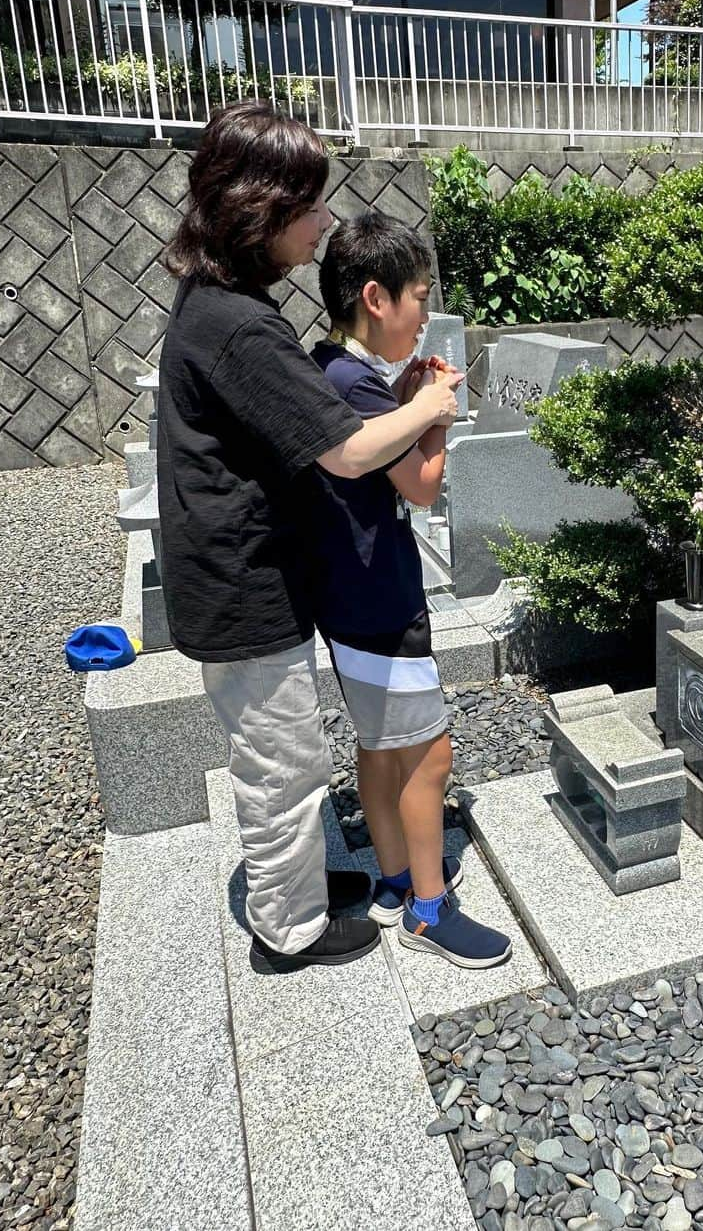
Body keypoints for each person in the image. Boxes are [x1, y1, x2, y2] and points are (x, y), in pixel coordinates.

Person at [157, 102, 464, 974]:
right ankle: (286, 931)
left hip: (251, 571)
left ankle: (291, 887)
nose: (323, 221)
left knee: (296, 753)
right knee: (282, 764)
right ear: (262, 209)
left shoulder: (222, 303)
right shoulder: (238, 325)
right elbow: (352, 451)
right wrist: (433, 406)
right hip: (241, 580)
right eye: (311, 204)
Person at [310, 212, 511, 970]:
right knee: (428, 756)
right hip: (381, 600)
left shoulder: (333, 367)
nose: (425, 314)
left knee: (380, 746)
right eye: (419, 298)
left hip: (348, 598)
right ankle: (429, 910)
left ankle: (395, 878)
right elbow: (422, 489)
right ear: (377, 297)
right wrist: (436, 415)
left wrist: (407, 400)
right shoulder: (355, 383)